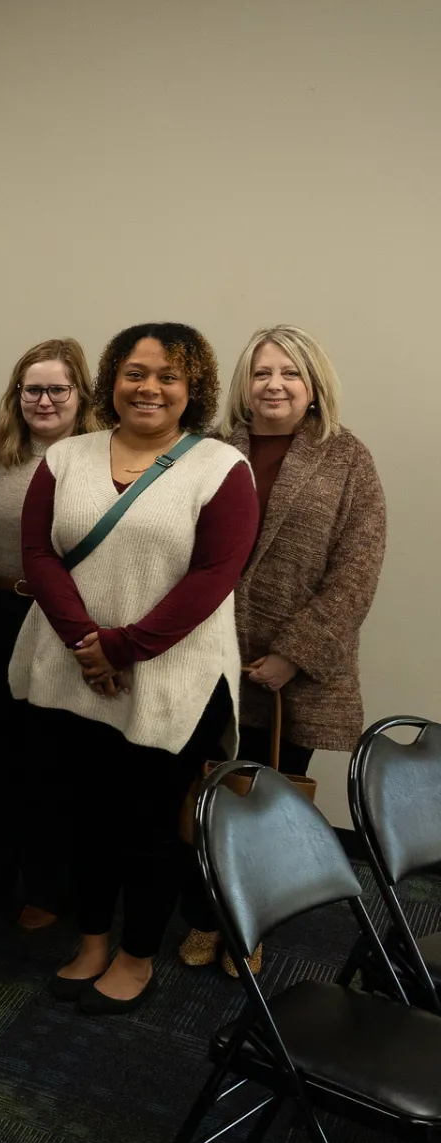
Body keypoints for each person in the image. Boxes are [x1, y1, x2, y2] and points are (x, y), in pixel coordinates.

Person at [11, 322, 256, 1014]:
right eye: (135, 372)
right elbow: (37, 553)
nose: (149, 387)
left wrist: (120, 648)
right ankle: (91, 938)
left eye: (168, 376)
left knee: (148, 827)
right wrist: (85, 640)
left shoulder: (220, 469)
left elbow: (214, 576)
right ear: (111, 380)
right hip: (69, 670)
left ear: (193, 390)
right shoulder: (67, 458)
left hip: (169, 680)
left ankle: (136, 952)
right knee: (84, 816)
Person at [177, 325, 387, 975]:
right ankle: (203, 916)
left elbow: (358, 566)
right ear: (245, 383)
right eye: (262, 372)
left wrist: (292, 654)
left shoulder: (347, 458)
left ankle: (251, 926)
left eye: (289, 373)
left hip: (290, 672)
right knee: (203, 794)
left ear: (314, 385)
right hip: (205, 656)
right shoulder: (209, 448)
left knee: (267, 803)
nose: (274, 384)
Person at [0, 339, 97, 929]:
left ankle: (47, 883)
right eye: (33, 389)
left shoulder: (101, 452)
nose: (45, 400)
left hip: (55, 622)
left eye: (59, 389)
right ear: (16, 394)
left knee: (47, 755)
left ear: (81, 396)